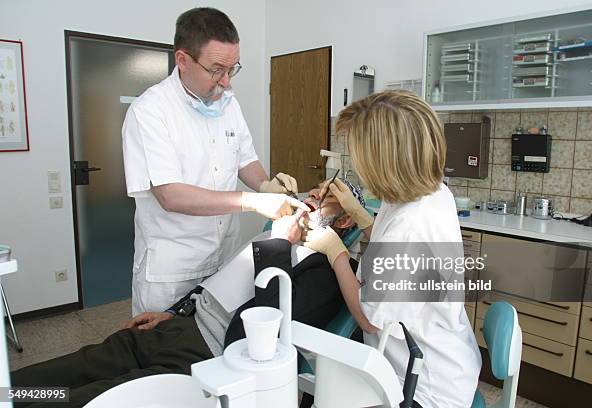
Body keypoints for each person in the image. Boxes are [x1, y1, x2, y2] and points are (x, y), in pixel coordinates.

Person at [11, 182, 363, 408]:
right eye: (315, 191)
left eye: (327, 199)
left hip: (204, 355)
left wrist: (279, 244)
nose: (313, 198)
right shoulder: (273, 233)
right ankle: (8, 393)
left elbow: (268, 328)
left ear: (345, 222)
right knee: (81, 364)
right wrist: (174, 311)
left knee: (95, 398)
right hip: (178, 325)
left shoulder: (326, 273)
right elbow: (222, 281)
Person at [122, 7, 306, 316]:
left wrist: (266, 184)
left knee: (212, 348)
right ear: (182, 60)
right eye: (216, 70)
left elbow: (245, 160)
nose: (226, 82)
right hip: (173, 270)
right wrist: (252, 201)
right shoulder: (149, 112)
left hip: (223, 263)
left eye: (232, 69)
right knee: (161, 353)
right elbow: (170, 195)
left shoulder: (228, 104)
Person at [303, 90, 482, 408]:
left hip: (427, 386)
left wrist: (334, 250)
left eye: (360, 156)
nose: (357, 164)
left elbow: (369, 319)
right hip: (447, 351)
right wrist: (358, 213)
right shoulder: (432, 192)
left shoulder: (412, 227)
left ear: (384, 161)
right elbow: (391, 246)